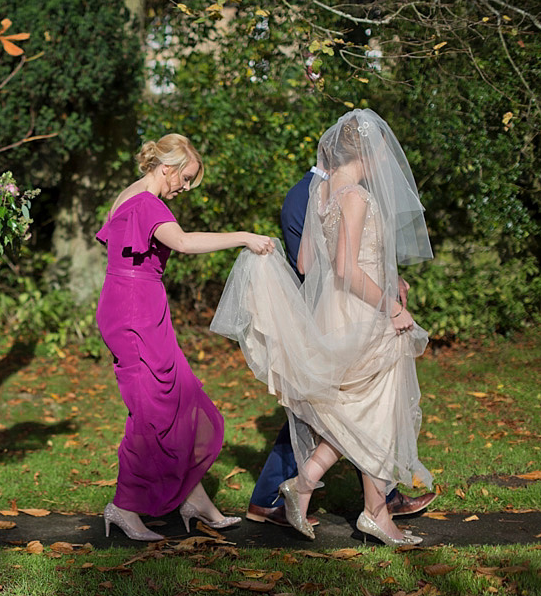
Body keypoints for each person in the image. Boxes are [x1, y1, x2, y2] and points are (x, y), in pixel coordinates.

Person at [213, 109, 434, 546]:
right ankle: (373, 513)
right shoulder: (355, 197)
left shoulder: (323, 194)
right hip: (361, 309)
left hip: (333, 311)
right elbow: (348, 269)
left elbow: (305, 263)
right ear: (366, 155)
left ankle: (305, 485)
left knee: (351, 411)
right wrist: (391, 306)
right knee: (376, 411)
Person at [96, 133, 276, 541]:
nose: (186, 187)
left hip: (138, 305)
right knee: (152, 410)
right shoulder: (147, 202)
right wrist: (244, 237)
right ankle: (124, 506)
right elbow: (183, 241)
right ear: (167, 168)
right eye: (186, 177)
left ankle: (193, 499)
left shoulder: (130, 194)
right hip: (133, 312)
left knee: (180, 399)